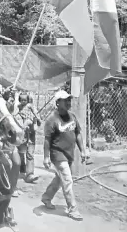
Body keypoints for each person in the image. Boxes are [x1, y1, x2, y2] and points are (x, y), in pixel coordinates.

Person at [42, 90, 86, 221]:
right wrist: (46, 157)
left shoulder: (72, 116)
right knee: (67, 180)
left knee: (59, 179)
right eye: (65, 100)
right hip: (57, 154)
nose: (68, 102)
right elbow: (47, 140)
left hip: (69, 154)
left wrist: (83, 150)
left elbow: (78, 133)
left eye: (69, 100)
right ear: (57, 103)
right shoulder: (52, 119)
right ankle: (73, 209)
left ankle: (46, 197)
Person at [13, 92, 41, 186]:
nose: (24, 102)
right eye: (22, 100)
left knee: (30, 154)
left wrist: (37, 120)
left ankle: (30, 174)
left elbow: (36, 115)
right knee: (21, 153)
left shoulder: (31, 107)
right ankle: (22, 169)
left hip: (31, 133)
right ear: (19, 100)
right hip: (22, 134)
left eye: (25, 100)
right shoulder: (18, 108)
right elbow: (14, 116)